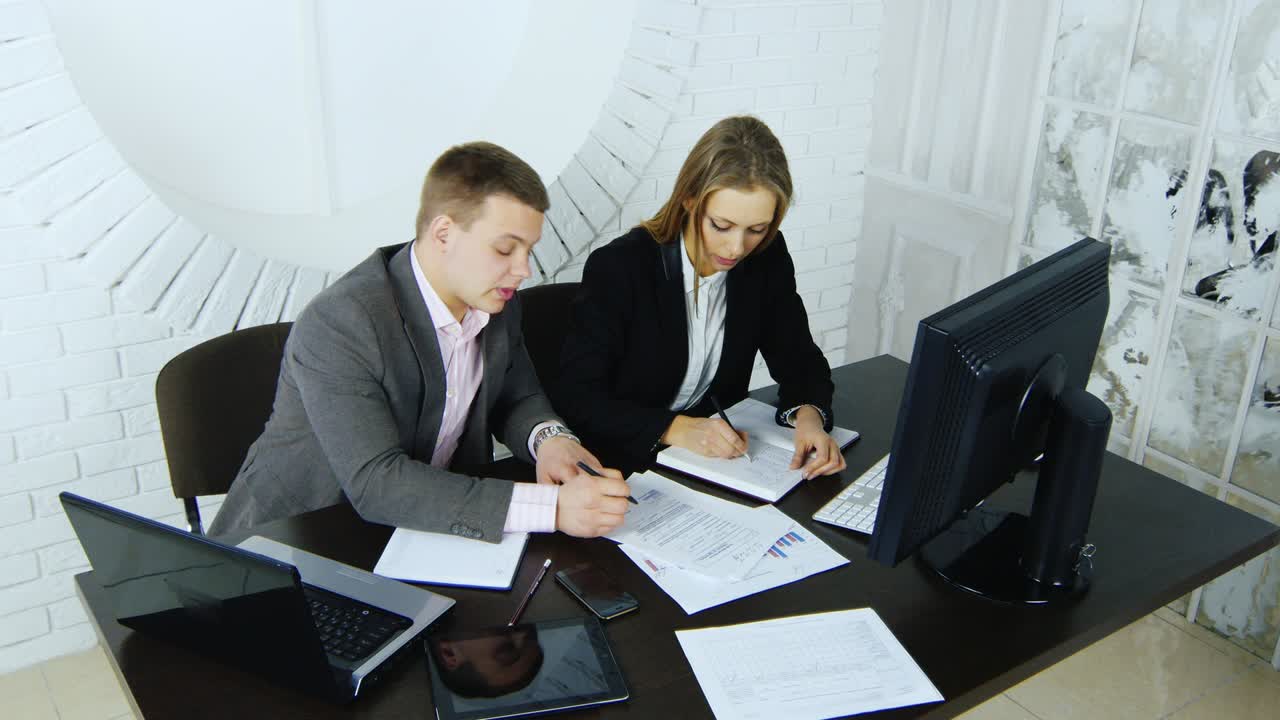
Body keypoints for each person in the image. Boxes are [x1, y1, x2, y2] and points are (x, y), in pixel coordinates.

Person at [210, 142, 630, 541]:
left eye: (528, 250)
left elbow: (517, 398)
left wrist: (552, 441)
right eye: (505, 249)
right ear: (443, 233)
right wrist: (551, 508)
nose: (523, 270)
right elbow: (376, 482)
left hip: (423, 527)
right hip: (301, 536)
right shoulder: (342, 322)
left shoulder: (496, 300)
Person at [554, 115, 847, 479]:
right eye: (721, 226)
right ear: (690, 200)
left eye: (758, 229)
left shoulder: (765, 258)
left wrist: (809, 417)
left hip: (712, 462)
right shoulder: (621, 267)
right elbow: (578, 397)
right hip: (621, 461)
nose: (737, 247)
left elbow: (798, 357)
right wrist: (676, 428)